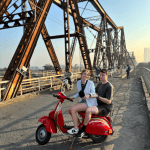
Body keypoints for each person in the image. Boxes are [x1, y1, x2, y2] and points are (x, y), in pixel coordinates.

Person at [76, 68, 114, 137]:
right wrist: (84, 94)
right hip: (98, 104)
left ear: (107, 76)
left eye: (103, 75)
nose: (101, 76)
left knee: (89, 110)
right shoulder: (99, 84)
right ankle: (82, 125)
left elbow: (108, 101)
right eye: (100, 75)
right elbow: (92, 92)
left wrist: (98, 97)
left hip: (105, 107)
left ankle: (83, 130)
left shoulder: (109, 86)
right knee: (80, 107)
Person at [67, 69, 98, 135]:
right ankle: (78, 124)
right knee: (69, 110)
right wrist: (73, 97)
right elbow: (80, 92)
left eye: (87, 74)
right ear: (81, 74)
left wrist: (88, 95)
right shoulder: (78, 82)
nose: (86, 75)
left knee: (73, 109)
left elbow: (94, 93)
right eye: (84, 74)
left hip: (89, 102)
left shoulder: (90, 83)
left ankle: (76, 129)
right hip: (83, 101)